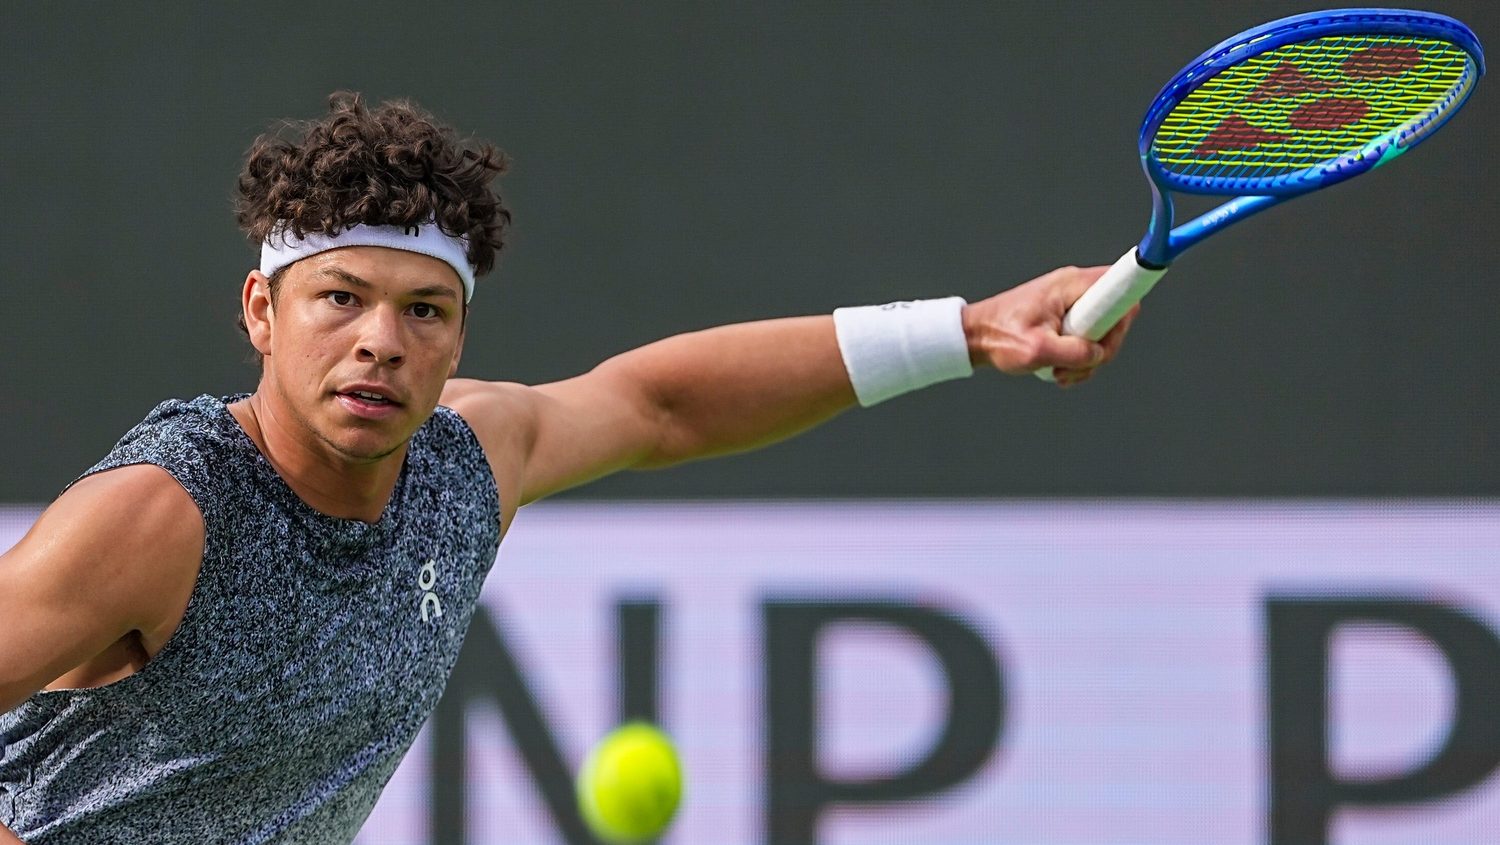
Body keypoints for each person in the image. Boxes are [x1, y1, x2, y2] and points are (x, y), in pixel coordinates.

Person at [0, 92, 1136, 844]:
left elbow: (662, 402)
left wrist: (969, 330)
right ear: (262, 308)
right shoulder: (163, 512)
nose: (380, 341)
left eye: (424, 310)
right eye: (340, 297)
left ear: (458, 334)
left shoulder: (466, 466)